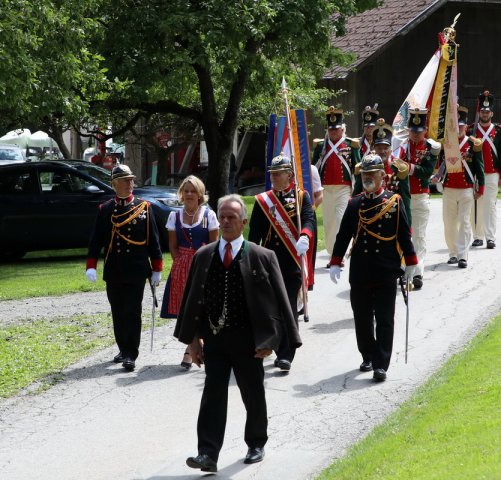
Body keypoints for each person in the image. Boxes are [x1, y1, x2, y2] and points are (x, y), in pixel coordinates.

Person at [174, 194, 301, 473]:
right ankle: (207, 453)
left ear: (244, 221)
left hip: (249, 342)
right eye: (223, 216)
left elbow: (278, 303)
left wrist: (270, 342)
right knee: (213, 395)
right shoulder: (204, 256)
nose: (227, 221)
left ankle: (256, 442)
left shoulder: (262, 256)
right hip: (216, 340)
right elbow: (193, 300)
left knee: (253, 393)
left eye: (232, 217)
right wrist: (194, 341)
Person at [328, 154, 418, 382]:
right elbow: (344, 235)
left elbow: (404, 235)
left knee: (385, 317)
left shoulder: (394, 202)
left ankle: (381, 363)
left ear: (382, 176)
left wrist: (411, 263)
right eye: (365, 174)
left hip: (386, 269)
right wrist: (336, 260)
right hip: (360, 270)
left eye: (372, 174)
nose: (368, 178)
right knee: (362, 316)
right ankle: (367, 355)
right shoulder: (354, 203)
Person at [86, 164, 163, 372]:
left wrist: (157, 268)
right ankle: (122, 347)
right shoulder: (105, 210)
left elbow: (153, 241)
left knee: (132, 311)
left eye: (131, 180)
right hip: (114, 269)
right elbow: (95, 241)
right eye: (125, 180)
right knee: (118, 312)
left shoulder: (144, 208)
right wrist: (91, 266)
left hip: (136, 270)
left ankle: (131, 353)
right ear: (114, 184)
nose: (130, 184)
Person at [248, 153, 315, 371]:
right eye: (273, 174)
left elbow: (308, 219)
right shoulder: (263, 201)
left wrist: (304, 234)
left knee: (287, 308)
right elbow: (255, 234)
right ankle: (274, 346)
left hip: (291, 261)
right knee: (270, 307)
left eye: (278, 174)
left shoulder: (302, 197)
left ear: (289, 175)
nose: (274, 178)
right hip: (269, 262)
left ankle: (286, 353)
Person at [159, 175, 219, 369]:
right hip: (182, 267)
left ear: (200, 194)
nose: (190, 194)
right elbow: (173, 246)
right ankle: (190, 348)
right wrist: (181, 265)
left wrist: (204, 265)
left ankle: (198, 347)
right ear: (181, 194)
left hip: (205, 265)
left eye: (193, 191)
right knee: (186, 310)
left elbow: (214, 244)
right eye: (186, 191)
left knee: (204, 307)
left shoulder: (208, 215)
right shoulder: (174, 216)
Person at [431, 105, 485, 268]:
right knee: (449, 222)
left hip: (466, 188)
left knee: (464, 222)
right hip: (449, 188)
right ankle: (452, 253)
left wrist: (480, 187)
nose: (459, 129)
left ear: (465, 127)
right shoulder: (446, 144)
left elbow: (479, 167)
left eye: (461, 126)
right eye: (456, 126)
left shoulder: (473, 144)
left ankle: (462, 255)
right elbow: (440, 165)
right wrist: (436, 177)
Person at [393, 108, 440, 289]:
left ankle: (418, 272)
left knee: (419, 235)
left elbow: (426, 172)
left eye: (418, 131)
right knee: (404, 235)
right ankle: (405, 269)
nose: (415, 134)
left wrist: (408, 167)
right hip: (403, 196)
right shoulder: (401, 146)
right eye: (413, 130)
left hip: (420, 195)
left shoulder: (430, 147)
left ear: (424, 130)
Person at [315, 106, 360, 255]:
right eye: (331, 129)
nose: (333, 131)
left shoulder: (350, 144)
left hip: (343, 189)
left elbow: (357, 168)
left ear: (342, 129)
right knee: (329, 222)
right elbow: (314, 169)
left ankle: (339, 254)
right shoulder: (321, 146)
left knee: (341, 219)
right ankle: (331, 252)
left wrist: (358, 191)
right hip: (326, 189)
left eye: (336, 129)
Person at [353, 119, 411, 222]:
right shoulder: (363, 168)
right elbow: (356, 198)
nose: (382, 151)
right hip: (368, 218)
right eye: (379, 148)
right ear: (373, 149)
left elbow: (405, 203)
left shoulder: (399, 170)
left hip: (392, 219)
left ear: (391, 150)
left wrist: (408, 227)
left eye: (385, 148)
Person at [469, 90, 501, 249]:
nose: (484, 113)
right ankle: (477, 236)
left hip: (492, 173)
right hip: (475, 174)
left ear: (491, 113)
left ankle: (490, 237)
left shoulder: (498, 131)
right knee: (476, 205)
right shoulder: (471, 130)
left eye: (487, 111)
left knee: (490, 205)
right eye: (482, 111)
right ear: (479, 112)